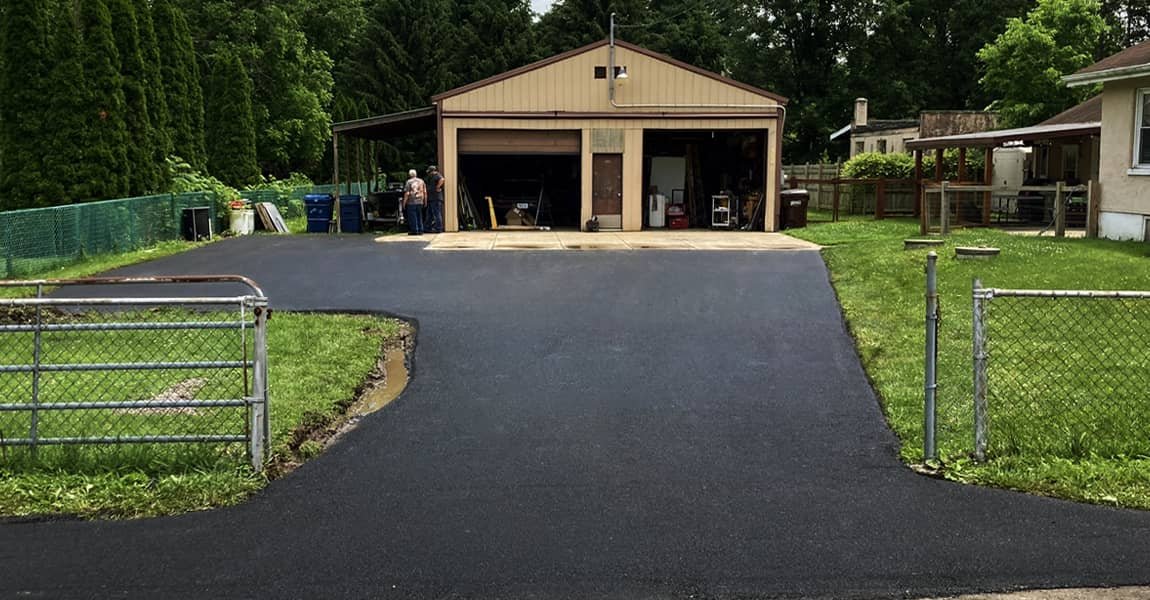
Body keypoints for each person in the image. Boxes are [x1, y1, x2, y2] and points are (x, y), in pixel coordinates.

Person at [402, 169, 426, 235]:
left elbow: (407, 193)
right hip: (420, 201)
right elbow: (424, 192)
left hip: (411, 202)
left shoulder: (409, 182)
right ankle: (421, 230)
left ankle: (414, 230)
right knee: (419, 216)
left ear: (410, 175)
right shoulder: (421, 181)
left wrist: (404, 203)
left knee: (412, 216)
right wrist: (424, 201)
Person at [425, 165, 445, 233]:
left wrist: (438, 187)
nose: (429, 173)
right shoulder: (431, 177)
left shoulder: (437, 175)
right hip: (431, 198)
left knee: (436, 213)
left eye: (430, 172)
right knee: (429, 214)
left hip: (436, 198)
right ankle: (428, 228)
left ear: (433, 171)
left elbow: (442, 179)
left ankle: (439, 228)